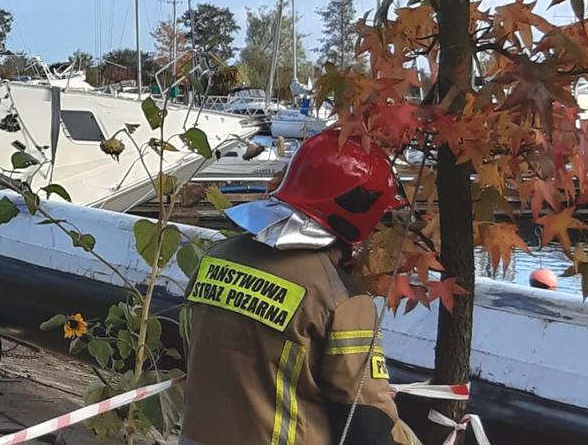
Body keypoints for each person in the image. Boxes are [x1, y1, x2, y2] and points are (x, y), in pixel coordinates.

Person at [180, 131, 420, 445]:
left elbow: (196, 350)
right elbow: (365, 422)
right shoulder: (341, 300)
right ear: (358, 211)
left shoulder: (215, 260)